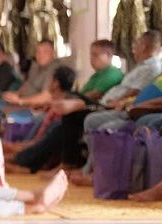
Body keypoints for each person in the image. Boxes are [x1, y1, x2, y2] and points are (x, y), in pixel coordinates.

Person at [58, 30, 162, 185]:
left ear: (145, 46)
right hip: (127, 106)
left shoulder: (152, 67)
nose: (133, 48)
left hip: (127, 107)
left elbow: (137, 92)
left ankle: (92, 171)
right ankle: (87, 168)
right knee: (73, 112)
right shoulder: (141, 68)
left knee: (94, 121)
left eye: (137, 44)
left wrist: (130, 104)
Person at [5, 65, 79, 173]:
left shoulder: (60, 105)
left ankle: (20, 162)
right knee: (9, 147)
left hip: (44, 151)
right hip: (37, 145)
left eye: (50, 80)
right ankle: (13, 155)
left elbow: (47, 141)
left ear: (56, 83)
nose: (48, 83)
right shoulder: (54, 102)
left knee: (8, 152)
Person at [0, 40, 60, 109]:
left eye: (45, 52)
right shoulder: (36, 66)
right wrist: (16, 94)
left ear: (53, 53)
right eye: (38, 52)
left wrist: (20, 101)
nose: (40, 55)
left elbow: (46, 98)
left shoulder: (54, 68)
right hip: (22, 103)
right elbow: (27, 84)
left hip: (35, 108)